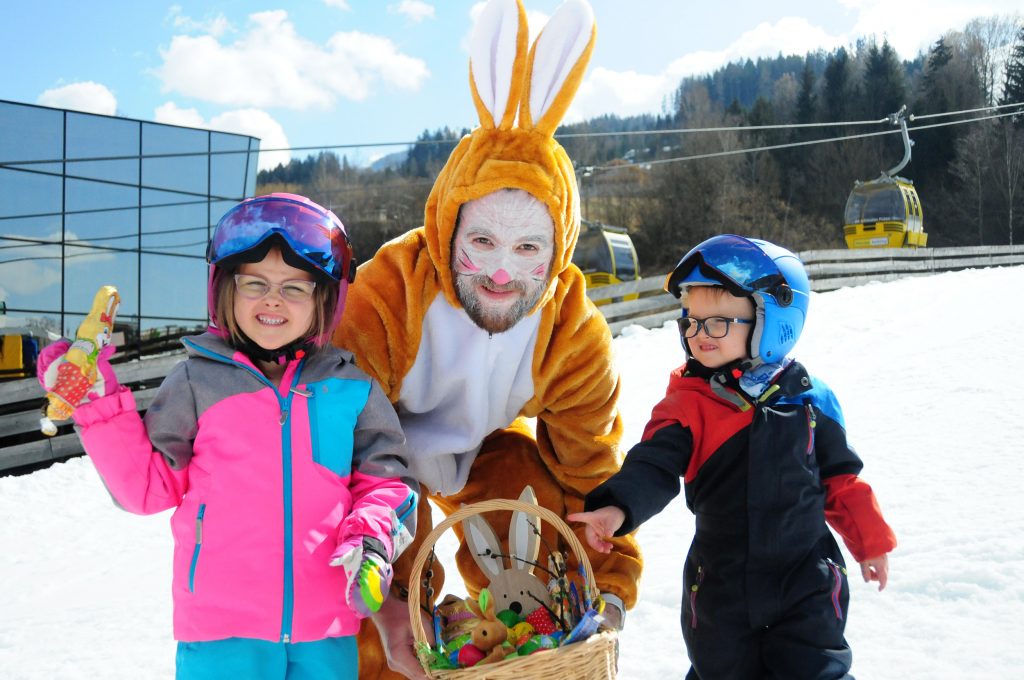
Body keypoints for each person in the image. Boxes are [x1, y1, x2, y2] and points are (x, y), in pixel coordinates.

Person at [333, 1, 641, 677]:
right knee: (375, 553)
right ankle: (392, 653)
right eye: (482, 241)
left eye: (529, 247)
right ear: (448, 229)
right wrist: (390, 588)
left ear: (557, 250)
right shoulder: (392, 291)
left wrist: (608, 582)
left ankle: (531, 636)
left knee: (527, 479)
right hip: (379, 459)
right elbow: (337, 428)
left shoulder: (568, 328)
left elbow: (592, 467)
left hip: (477, 456)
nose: (504, 272)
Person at [37, 194, 418, 680]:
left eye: (295, 288)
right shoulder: (196, 382)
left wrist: (371, 533)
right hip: (221, 634)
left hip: (327, 631)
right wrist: (95, 402)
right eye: (254, 283)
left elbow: (388, 482)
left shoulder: (351, 389)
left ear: (325, 299)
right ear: (224, 291)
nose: (273, 299)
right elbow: (146, 490)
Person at [569, 234, 897, 679]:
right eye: (692, 321)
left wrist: (870, 541)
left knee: (818, 670)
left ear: (774, 319)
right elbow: (653, 463)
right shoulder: (687, 405)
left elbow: (840, 480)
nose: (699, 334)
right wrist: (618, 506)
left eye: (719, 322)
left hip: (807, 582)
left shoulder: (812, 401)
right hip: (720, 589)